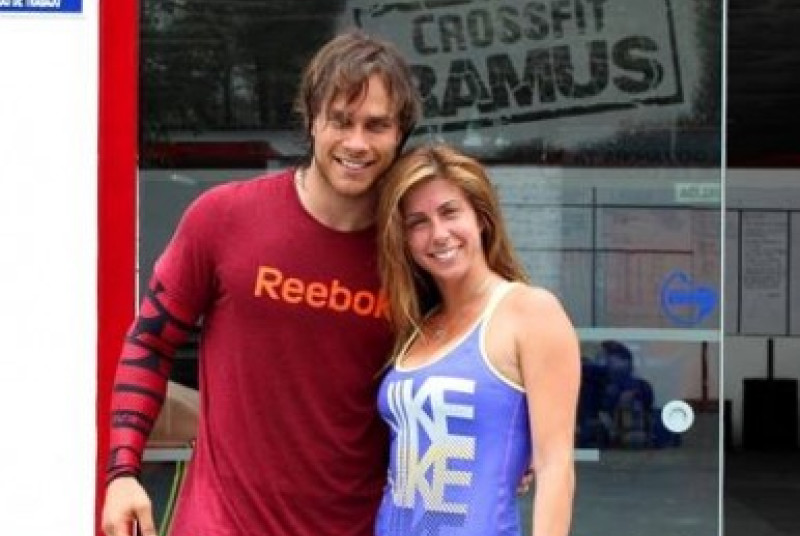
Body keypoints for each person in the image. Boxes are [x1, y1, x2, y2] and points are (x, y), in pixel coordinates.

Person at [101, 30, 421, 536]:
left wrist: (521, 440)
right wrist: (122, 473)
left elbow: (479, 343)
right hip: (220, 525)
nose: (357, 143)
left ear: (400, 132)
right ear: (311, 119)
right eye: (341, 120)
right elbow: (149, 342)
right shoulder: (224, 217)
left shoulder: (413, 251)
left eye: (376, 125)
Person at [374, 144, 581, 536]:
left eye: (450, 212)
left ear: (481, 218)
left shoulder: (530, 312)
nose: (439, 234)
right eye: (418, 222)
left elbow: (556, 467)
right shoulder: (417, 325)